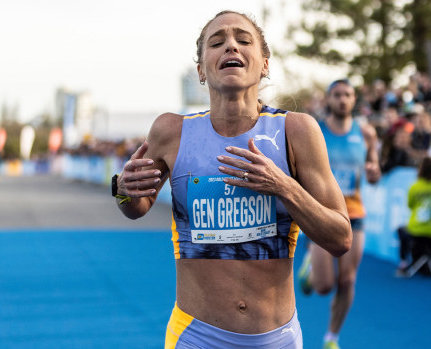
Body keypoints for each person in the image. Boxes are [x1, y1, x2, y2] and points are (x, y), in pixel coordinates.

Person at [112, 11, 351, 349]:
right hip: (195, 336)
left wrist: (282, 185)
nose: (230, 47)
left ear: (264, 63)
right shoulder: (171, 131)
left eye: (243, 39)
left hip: (278, 338)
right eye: (217, 42)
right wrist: (122, 190)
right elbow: (136, 207)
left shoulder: (296, 131)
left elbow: (341, 238)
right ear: (200, 70)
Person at [297, 79, 380, 349]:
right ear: (329, 100)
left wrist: (374, 173)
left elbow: (374, 171)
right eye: (337, 95)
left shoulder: (366, 133)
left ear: (354, 100)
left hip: (354, 213)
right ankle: (310, 265)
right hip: (322, 212)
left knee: (348, 280)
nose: (343, 100)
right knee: (323, 287)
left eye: (348, 95)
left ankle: (331, 338)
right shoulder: (315, 131)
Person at [396, 156, 431, 276]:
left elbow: (410, 205)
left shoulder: (414, 187)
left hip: (417, 231)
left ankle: (403, 262)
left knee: (401, 231)